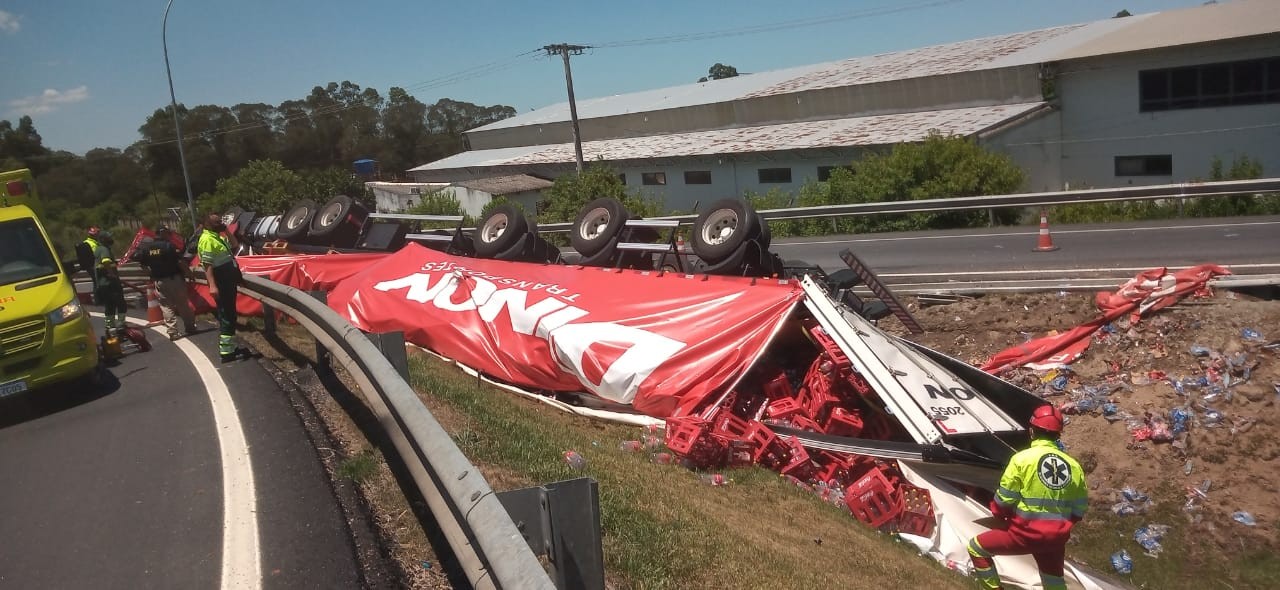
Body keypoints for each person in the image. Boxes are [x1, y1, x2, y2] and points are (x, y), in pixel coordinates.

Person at [967, 404, 1087, 590]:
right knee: (1054, 582)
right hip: (1055, 540)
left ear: (1032, 431)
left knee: (976, 547)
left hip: (1023, 534)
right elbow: (1079, 510)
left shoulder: (1021, 459)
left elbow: (1003, 501)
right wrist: (1057, 527)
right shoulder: (1074, 467)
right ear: (1058, 435)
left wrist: (1000, 516)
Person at [196, 213, 251, 363]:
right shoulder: (207, 239)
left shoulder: (216, 236)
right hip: (221, 282)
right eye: (216, 222)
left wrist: (226, 230)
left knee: (230, 314)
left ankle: (230, 347)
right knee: (227, 315)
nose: (219, 223)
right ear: (207, 224)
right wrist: (212, 286)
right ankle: (227, 352)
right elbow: (207, 264)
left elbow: (234, 245)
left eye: (220, 221)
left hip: (228, 281)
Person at [136, 226, 197, 341]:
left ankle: (173, 332)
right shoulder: (168, 246)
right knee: (182, 304)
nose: (170, 235)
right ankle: (190, 327)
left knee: (166, 306)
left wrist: (152, 274)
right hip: (175, 279)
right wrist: (189, 273)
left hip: (160, 281)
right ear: (163, 233)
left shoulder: (147, 248)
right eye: (168, 233)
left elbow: (143, 265)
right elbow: (179, 262)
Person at [77, 227, 127, 331]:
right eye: (109, 238)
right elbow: (105, 261)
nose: (111, 239)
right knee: (120, 303)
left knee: (109, 305)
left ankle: (109, 325)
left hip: (102, 283)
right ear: (104, 239)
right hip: (110, 282)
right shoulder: (104, 249)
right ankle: (121, 323)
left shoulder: (98, 249)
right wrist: (111, 273)